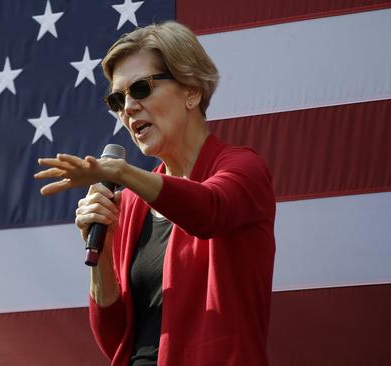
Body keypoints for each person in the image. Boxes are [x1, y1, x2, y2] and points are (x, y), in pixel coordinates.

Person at [34, 21, 276, 366]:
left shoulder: (242, 168)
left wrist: (121, 172)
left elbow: (209, 211)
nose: (128, 107)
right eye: (118, 99)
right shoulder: (130, 203)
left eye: (141, 89)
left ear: (191, 90)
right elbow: (116, 341)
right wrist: (100, 258)